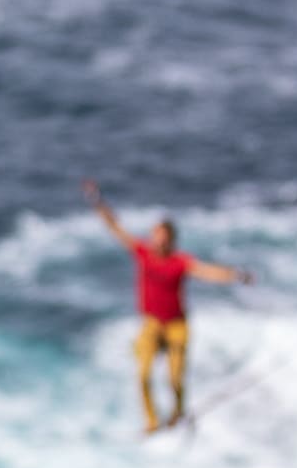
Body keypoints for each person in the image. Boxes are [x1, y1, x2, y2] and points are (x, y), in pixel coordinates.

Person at [81, 179, 251, 433]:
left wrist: (235, 275)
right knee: (143, 376)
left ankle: (177, 413)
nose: (156, 241)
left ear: (170, 240)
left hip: (176, 325)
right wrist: (97, 200)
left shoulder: (179, 262)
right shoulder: (143, 252)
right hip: (151, 323)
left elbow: (207, 272)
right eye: (154, 235)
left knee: (175, 379)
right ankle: (151, 421)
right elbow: (115, 227)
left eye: (161, 237)